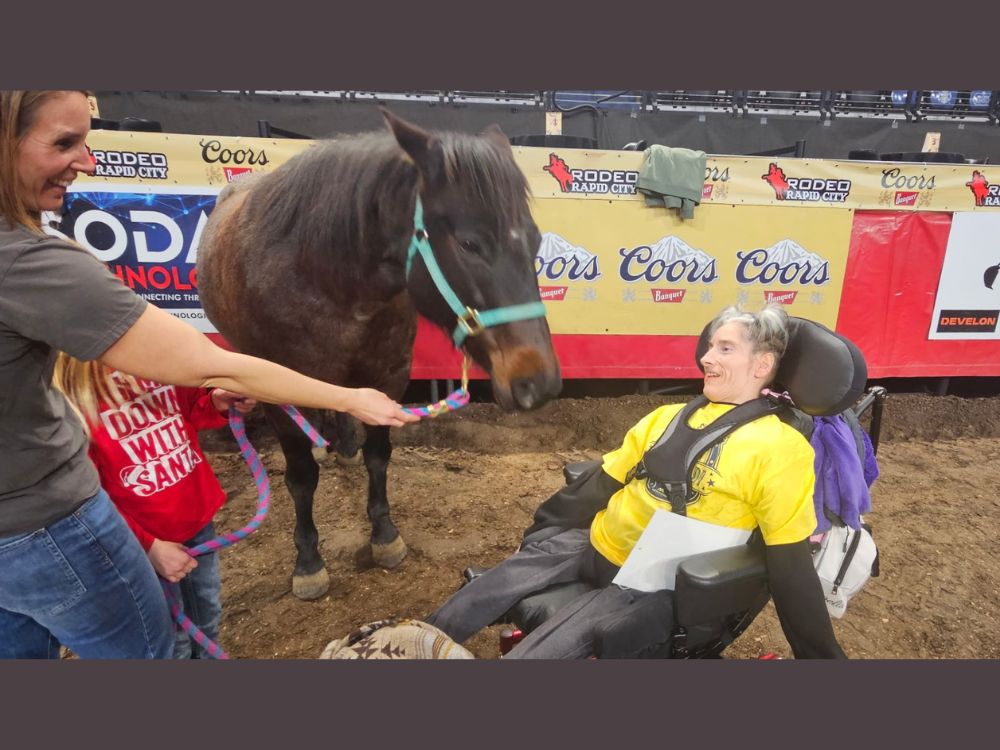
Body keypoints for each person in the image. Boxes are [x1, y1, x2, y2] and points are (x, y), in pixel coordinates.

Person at [0, 90, 419, 659]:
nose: (88, 160)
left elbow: (191, 387)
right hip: (43, 521)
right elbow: (209, 365)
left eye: (86, 140)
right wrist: (349, 399)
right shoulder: (27, 263)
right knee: (150, 652)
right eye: (64, 142)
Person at [426, 304, 847, 659]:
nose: (706, 357)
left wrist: (821, 658)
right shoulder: (666, 418)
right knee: (467, 602)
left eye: (726, 348)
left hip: (645, 583)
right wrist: (540, 529)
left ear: (763, 365)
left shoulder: (781, 447)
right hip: (593, 542)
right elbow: (599, 484)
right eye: (710, 345)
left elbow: (790, 565)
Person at [56, 357, 259, 658]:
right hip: (141, 542)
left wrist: (216, 402)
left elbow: (188, 407)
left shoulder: (152, 362)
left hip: (194, 519)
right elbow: (88, 495)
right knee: (170, 633)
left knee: (208, 611)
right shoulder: (71, 401)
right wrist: (149, 546)